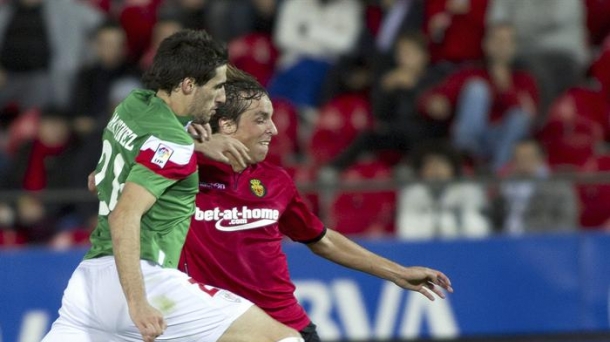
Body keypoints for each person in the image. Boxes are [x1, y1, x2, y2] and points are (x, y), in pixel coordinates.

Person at [43, 30, 304, 342]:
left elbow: (101, 176)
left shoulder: (133, 105)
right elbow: (124, 215)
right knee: (284, 339)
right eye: (217, 87)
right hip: (145, 281)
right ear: (188, 84)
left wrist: (195, 145)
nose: (221, 98)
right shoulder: (174, 144)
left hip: (88, 287)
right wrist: (138, 303)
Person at [179, 66, 454, 341]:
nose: (273, 130)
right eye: (261, 119)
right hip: (221, 328)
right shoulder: (181, 169)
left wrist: (398, 273)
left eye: (272, 119)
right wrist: (191, 145)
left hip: (288, 325)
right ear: (227, 125)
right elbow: (139, 144)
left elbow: (323, 240)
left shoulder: (276, 181)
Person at [419, 22, 538, 172]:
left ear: (514, 47)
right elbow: (433, 97)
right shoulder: (470, 73)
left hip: (503, 143)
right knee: (477, 88)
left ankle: (497, 175)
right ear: (486, 44)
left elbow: (529, 116)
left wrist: (504, 87)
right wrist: (434, 103)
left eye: (507, 41)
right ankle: (465, 157)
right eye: (497, 40)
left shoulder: (524, 80)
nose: (502, 45)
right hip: (470, 138)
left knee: (520, 116)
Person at [396, 141, 491, 240]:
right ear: (421, 170)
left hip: (463, 247)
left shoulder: (468, 190)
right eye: (430, 165)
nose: (436, 171)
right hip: (423, 249)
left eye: (441, 164)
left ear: (452, 168)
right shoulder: (412, 194)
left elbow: (479, 227)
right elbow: (406, 228)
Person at [492, 139, 577, 235]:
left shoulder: (557, 186)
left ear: (540, 158)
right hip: (504, 241)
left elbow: (566, 222)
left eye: (527, 157)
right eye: (517, 158)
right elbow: (495, 217)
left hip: (540, 241)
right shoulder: (506, 185)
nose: (522, 162)